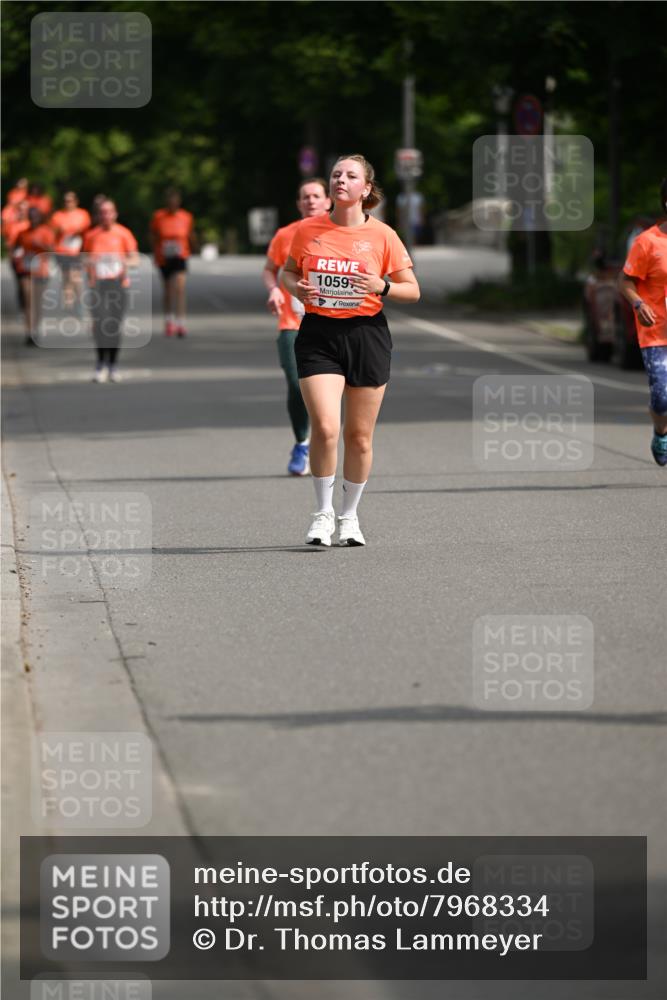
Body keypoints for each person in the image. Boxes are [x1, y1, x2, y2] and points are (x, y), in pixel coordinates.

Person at [282, 154, 420, 546]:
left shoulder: (383, 236)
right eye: (336, 174)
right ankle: (322, 514)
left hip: (367, 334)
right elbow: (288, 271)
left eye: (350, 176)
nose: (341, 180)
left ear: (365, 189)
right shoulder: (307, 230)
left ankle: (349, 516)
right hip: (319, 333)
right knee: (326, 427)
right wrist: (298, 289)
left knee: (359, 437)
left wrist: (383, 287)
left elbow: (412, 291)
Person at [263, 178, 331, 475]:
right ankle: (302, 441)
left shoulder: (340, 233)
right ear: (299, 203)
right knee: (296, 383)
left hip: (332, 322)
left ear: (328, 201)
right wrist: (274, 289)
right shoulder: (285, 234)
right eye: (305, 197)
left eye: (316, 196)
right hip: (293, 322)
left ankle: (324, 439)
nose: (311, 201)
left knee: (327, 390)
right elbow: (270, 270)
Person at [618, 179, 667, 466]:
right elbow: (623, 281)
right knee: (662, 397)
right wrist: (638, 303)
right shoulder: (647, 242)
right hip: (657, 332)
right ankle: (661, 431)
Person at [82, 199, 138, 383]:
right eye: (102, 212)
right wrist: (90, 263)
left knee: (113, 326)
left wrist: (122, 263)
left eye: (109, 212)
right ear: (98, 215)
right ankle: (100, 363)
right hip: (98, 286)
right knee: (100, 325)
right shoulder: (91, 235)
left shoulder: (123, 233)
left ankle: (113, 365)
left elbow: (135, 260)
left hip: (118, 285)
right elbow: (83, 259)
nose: (106, 215)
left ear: (115, 214)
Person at [150, 188, 195, 337]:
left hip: (180, 255)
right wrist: (156, 251)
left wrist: (194, 246)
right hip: (164, 257)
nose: (172, 204)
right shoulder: (159, 217)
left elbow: (190, 234)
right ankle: (169, 320)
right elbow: (153, 235)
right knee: (168, 291)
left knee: (180, 289)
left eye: (175, 202)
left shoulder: (186, 217)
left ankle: (181, 322)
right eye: (170, 202)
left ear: (179, 202)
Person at [14, 207, 55, 344]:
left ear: (39, 217)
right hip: (25, 269)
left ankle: (35, 328)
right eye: (30, 216)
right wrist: (17, 256)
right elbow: (16, 247)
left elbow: (52, 250)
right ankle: (29, 331)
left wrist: (41, 245)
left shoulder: (46, 232)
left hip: (41, 270)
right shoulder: (23, 233)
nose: (33, 219)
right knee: (28, 299)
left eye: (35, 216)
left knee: (36, 302)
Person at [50, 191, 91, 308]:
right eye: (65, 201)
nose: (68, 203)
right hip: (62, 250)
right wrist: (60, 231)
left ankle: (79, 300)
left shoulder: (83, 214)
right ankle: (68, 302)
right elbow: (52, 234)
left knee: (76, 275)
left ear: (76, 201)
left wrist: (78, 232)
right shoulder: (57, 216)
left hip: (77, 250)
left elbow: (87, 232)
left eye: (70, 201)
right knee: (66, 276)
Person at [2, 198, 30, 313]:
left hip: (30, 257)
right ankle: (23, 305)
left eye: (25, 209)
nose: (23, 212)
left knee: (30, 283)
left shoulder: (31, 223)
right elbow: (7, 240)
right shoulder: (11, 225)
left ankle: (30, 305)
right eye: (20, 209)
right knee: (21, 283)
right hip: (16, 257)